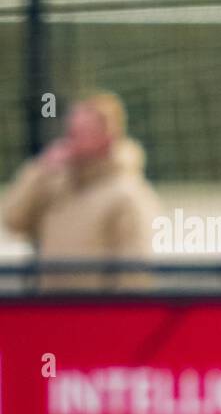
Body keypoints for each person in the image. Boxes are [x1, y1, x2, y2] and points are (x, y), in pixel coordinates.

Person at [2, 91, 161, 292]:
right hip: (51, 310)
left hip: (93, 314)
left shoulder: (127, 195)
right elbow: (13, 221)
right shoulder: (56, 184)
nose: (72, 140)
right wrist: (40, 170)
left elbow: (134, 273)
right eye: (71, 131)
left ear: (108, 137)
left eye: (82, 132)